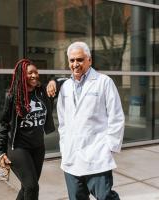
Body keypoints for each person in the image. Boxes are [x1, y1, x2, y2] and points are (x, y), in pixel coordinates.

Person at [56, 41, 125, 200]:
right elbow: (63, 121)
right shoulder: (66, 87)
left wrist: (110, 147)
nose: (75, 64)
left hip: (97, 154)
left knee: (105, 196)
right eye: (72, 60)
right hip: (71, 156)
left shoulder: (103, 82)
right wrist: (64, 146)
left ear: (89, 60)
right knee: (76, 197)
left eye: (79, 59)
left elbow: (116, 117)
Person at [0, 58, 56, 200]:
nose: (34, 75)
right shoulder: (13, 96)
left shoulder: (42, 92)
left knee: (27, 186)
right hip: (18, 148)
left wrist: (54, 81)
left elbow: (60, 83)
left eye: (36, 72)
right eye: (30, 73)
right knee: (32, 187)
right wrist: (1, 151)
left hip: (38, 147)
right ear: (22, 75)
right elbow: (4, 123)